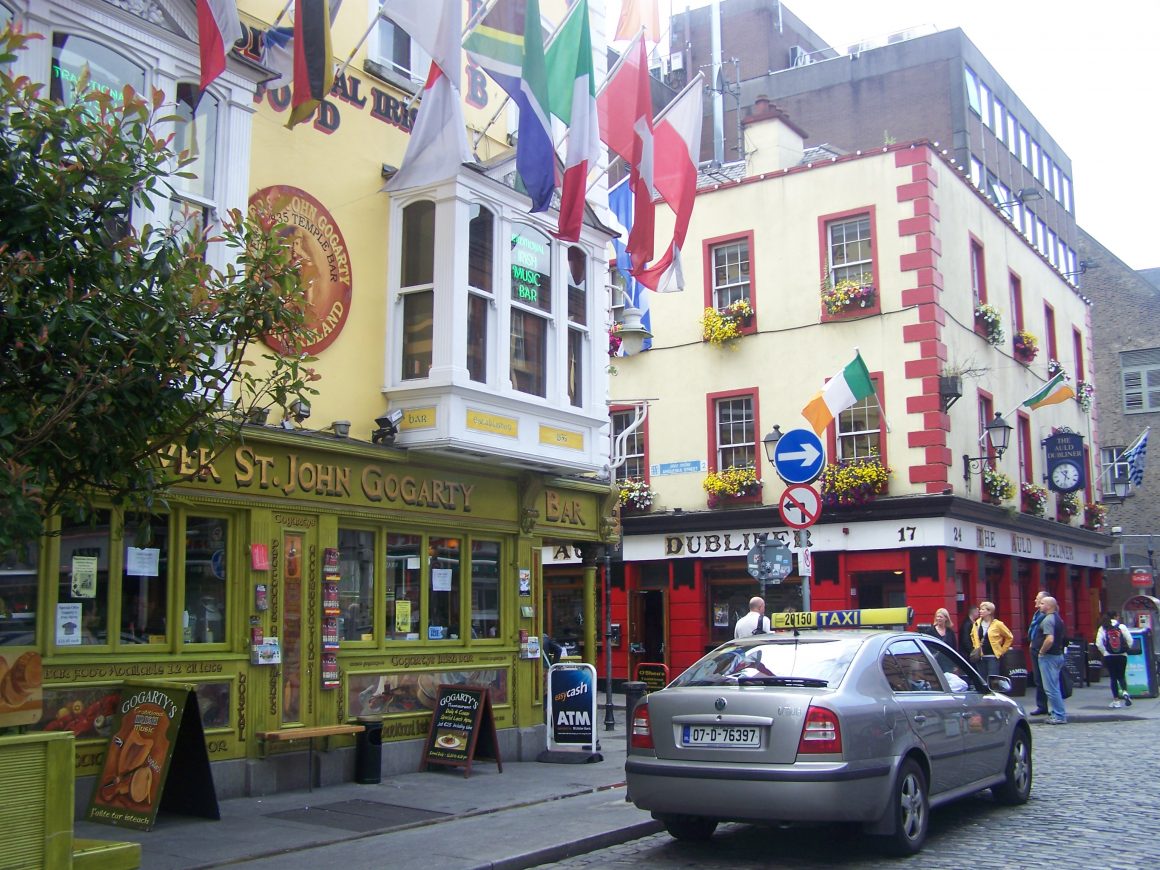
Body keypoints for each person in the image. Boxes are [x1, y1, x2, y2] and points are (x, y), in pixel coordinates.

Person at [1036, 596, 1068, 724]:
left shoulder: (1048, 620)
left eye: (1042, 603)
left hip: (1049, 657)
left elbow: (1049, 639)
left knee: (1051, 689)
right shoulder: (1058, 618)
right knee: (1054, 687)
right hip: (1057, 655)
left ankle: (1059, 715)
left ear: (1049, 606)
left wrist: (1041, 652)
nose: (1039, 605)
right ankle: (1056, 713)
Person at [1096, 611, 1133, 709]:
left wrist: (1105, 652)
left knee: (1113, 678)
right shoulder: (1122, 627)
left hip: (1109, 656)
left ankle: (1116, 701)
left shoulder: (1103, 628)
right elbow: (1130, 640)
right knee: (1121, 676)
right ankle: (1125, 692)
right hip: (1122, 655)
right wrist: (1125, 649)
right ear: (1115, 616)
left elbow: (1098, 643)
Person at [970, 600, 1014, 678]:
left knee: (993, 679)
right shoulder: (976, 623)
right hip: (980, 657)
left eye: (983, 609)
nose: (980, 611)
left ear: (989, 611)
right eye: (980, 609)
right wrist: (976, 646)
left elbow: (1009, 637)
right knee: (983, 679)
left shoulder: (998, 624)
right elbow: (972, 635)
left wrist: (1002, 650)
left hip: (993, 656)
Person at [1027, 590, 1049, 715]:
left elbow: (1049, 636)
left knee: (1046, 679)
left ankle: (1050, 707)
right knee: (1038, 679)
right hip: (1035, 648)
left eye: (1038, 599)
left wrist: (1042, 650)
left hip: (1042, 651)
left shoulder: (1047, 617)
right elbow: (1034, 630)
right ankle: (1042, 706)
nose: (1035, 600)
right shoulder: (1037, 614)